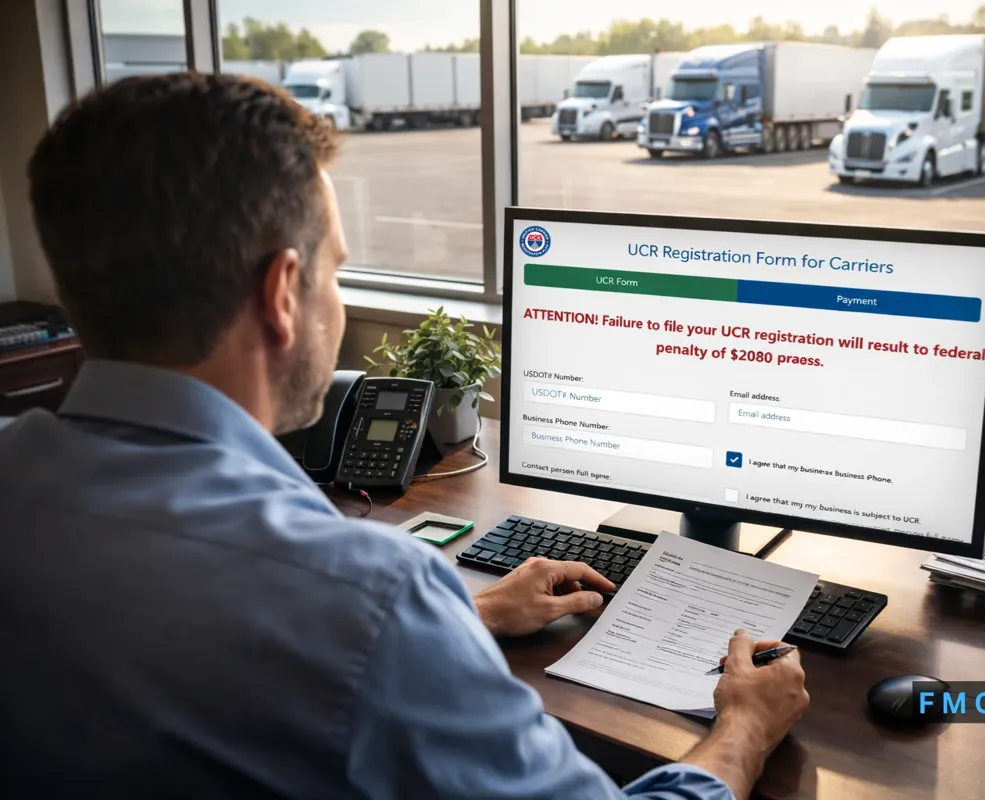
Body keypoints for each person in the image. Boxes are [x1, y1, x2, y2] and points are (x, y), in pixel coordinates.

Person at [0, 73, 809, 799]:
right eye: (336, 270)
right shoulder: (368, 597)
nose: (338, 298)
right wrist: (743, 729)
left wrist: (466, 614)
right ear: (282, 294)